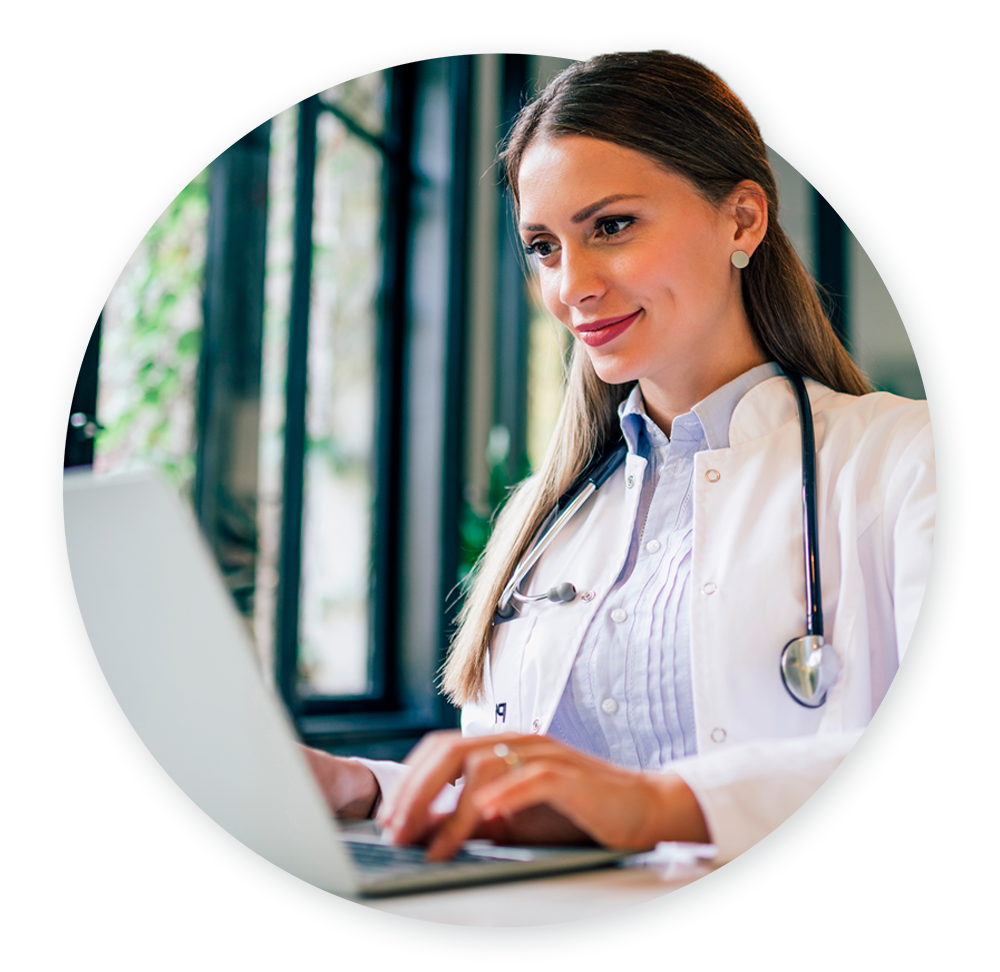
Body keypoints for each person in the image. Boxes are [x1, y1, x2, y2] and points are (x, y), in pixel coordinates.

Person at [301, 50, 936, 865]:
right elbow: (536, 802)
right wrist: (368, 788)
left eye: (612, 226)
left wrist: (658, 806)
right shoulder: (542, 518)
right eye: (543, 247)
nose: (572, 287)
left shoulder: (910, 459)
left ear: (742, 220)